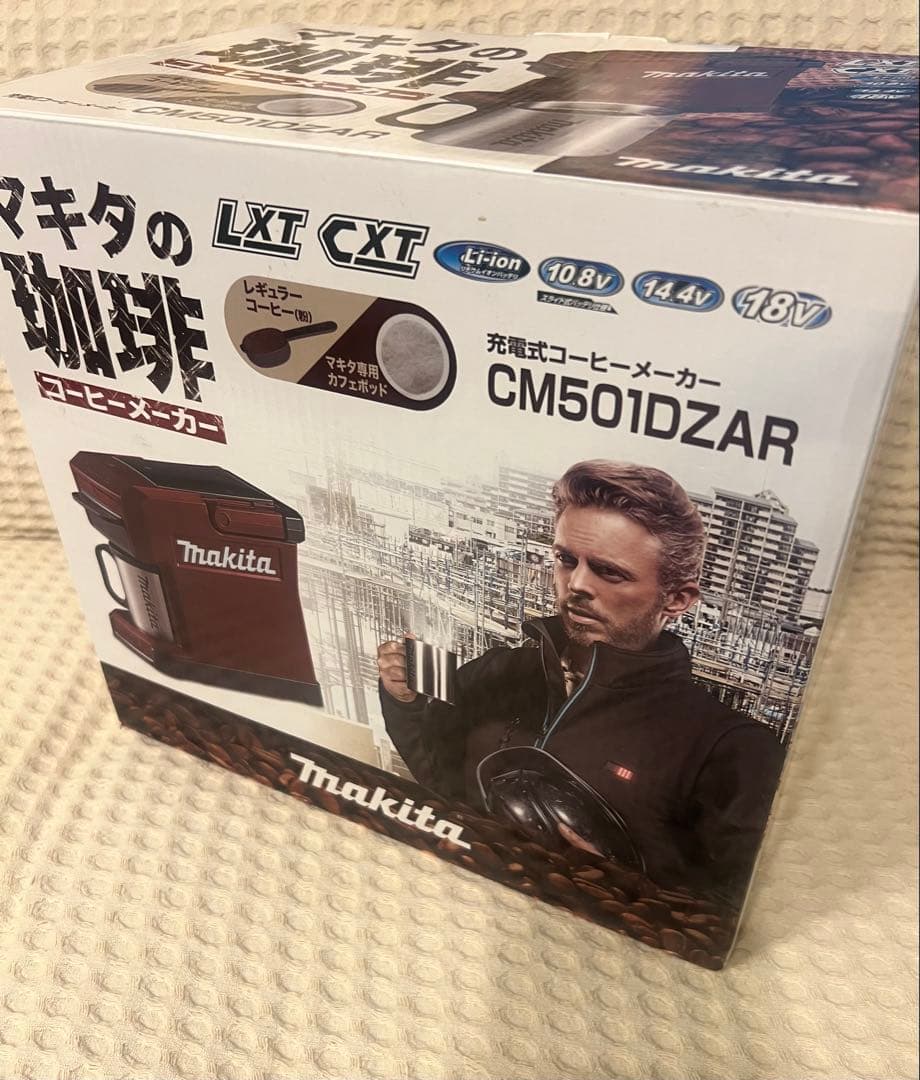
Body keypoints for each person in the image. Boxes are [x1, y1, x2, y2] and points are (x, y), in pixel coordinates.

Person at [377, 460, 785, 902]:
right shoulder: (502, 669)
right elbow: (438, 779)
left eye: (610, 572)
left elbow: (734, 914)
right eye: (566, 559)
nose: (576, 584)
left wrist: (628, 896)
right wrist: (405, 701)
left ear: (677, 599)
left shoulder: (731, 750)